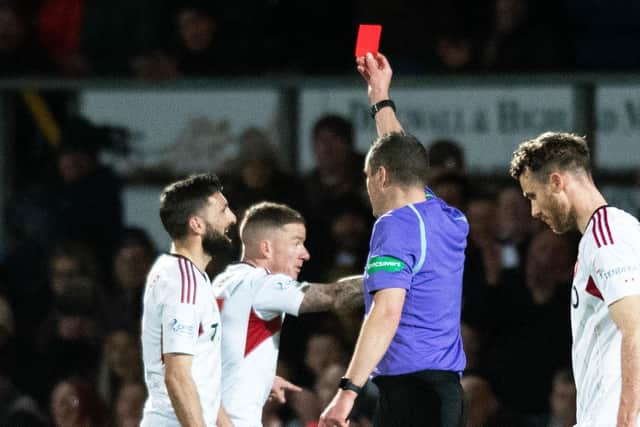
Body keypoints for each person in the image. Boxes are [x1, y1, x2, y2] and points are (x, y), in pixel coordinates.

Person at [319, 52, 468, 427]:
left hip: (414, 397)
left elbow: (386, 313)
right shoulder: (449, 218)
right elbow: (403, 155)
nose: (367, 186)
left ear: (381, 176)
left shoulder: (395, 225)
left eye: (368, 176)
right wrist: (379, 97)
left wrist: (345, 394)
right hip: (444, 393)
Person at [510, 132, 640, 426]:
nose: (534, 211)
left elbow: (636, 328)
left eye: (533, 196)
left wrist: (628, 418)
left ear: (556, 181)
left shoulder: (609, 236)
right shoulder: (599, 236)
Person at [212, 201, 364, 426]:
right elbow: (337, 296)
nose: (305, 254)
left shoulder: (224, 282)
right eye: (296, 244)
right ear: (266, 248)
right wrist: (396, 273)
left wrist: (261, 377)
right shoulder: (261, 284)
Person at [140, 173, 236, 427]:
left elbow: (201, 382)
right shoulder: (182, 283)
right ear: (197, 225)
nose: (232, 217)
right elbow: (177, 376)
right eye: (223, 210)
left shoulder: (188, 276)